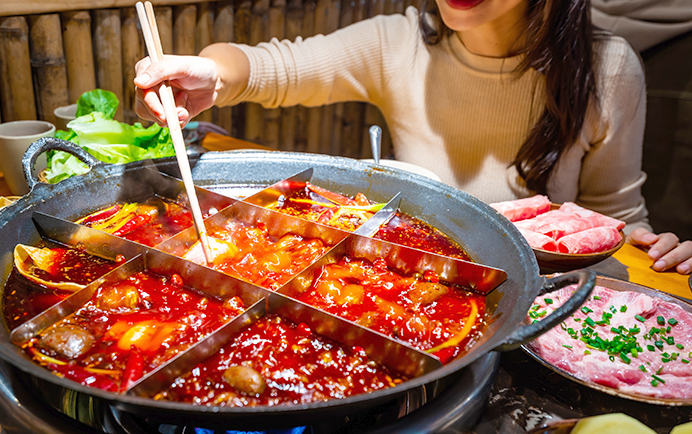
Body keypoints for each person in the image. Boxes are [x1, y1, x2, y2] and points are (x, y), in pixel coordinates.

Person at [133, 0, 692, 275]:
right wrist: (208, 75)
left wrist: (655, 247)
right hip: (407, 268)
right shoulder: (399, 41)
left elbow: (615, 216)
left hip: (532, 295)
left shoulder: (608, 70)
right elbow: (263, 67)